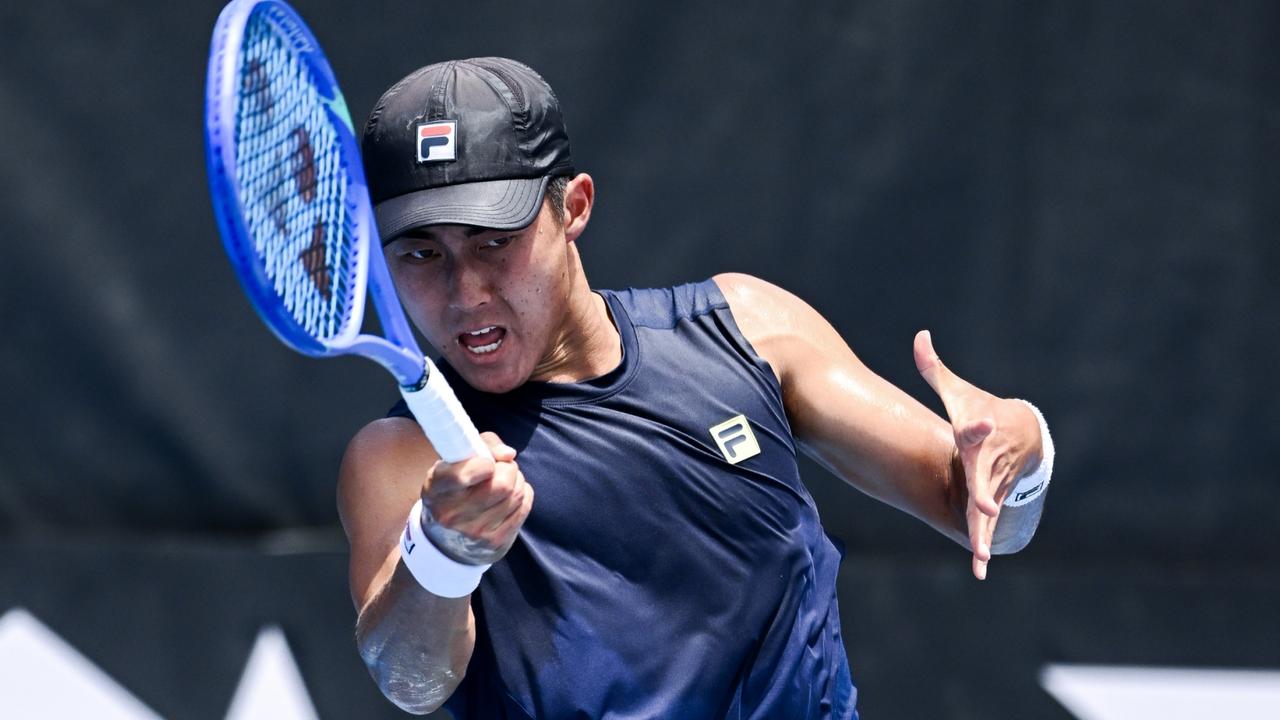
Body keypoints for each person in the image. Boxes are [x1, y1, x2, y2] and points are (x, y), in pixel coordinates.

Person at [338, 57, 1054, 719]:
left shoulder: (748, 330)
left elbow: (981, 512)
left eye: (494, 241)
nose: (465, 292)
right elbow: (410, 678)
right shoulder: (401, 458)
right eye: (421, 253)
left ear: (574, 207)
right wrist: (444, 549)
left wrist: (1021, 445)